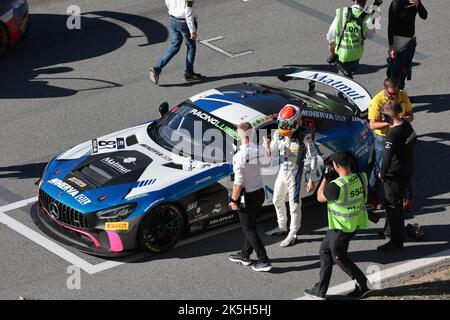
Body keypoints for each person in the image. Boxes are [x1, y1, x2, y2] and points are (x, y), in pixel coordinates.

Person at [304, 151, 371, 300]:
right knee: (324, 251)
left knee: (340, 259)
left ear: (335, 165)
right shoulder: (361, 177)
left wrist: (326, 179)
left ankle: (363, 285)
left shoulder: (335, 186)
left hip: (341, 229)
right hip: (351, 224)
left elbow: (319, 197)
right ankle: (320, 290)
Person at [264, 104, 317, 247]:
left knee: (294, 205)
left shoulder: (304, 135)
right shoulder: (278, 133)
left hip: (295, 173)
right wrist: (267, 147)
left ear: (296, 122)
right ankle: (282, 226)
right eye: (281, 124)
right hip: (283, 170)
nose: (283, 128)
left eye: (286, 125)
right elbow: (272, 153)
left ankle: (293, 233)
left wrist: (312, 178)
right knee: (276, 199)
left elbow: (313, 157)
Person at [228, 122, 272, 272]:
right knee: (251, 225)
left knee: (248, 228)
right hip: (259, 193)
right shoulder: (259, 150)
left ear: (241, 136)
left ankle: (264, 260)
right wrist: (267, 147)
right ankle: (245, 254)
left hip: (247, 196)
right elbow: (268, 163)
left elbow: (238, 182)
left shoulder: (239, 156)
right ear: (252, 135)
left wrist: (233, 200)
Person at [367, 78, 414, 213]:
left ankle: (407, 198)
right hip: (383, 137)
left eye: (396, 93)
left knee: (405, 166)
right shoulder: (377, 100)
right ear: (385, 89)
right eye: (391, 94)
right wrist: (391, 122)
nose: (394, 96)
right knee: (381, 168)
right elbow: (372, 125)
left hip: (400, 134)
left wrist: (405, 120)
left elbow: (410, 115)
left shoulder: (402, 95)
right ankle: (373, 197)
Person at [377, 101, 417, 251]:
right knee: (394, 204)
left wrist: (382, 173)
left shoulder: (392, 134)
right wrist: (404, 153)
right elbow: (414, 139)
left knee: (393, 207)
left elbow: (386, 158)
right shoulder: (406, 125)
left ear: (387, 116)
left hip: (394, 175)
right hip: (406, 169)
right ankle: (390, 231)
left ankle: (396, 241)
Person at [149, 0, 203, 85]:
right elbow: (188, 13)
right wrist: (192, 31)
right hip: (184, 22)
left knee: (175, 46)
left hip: (173, 20)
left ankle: (157, 68)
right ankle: (189, 73)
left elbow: (167, 2)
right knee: (191, 47)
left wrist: (174, 11)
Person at [326, 0, 376, 78]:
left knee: (343, 82)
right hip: (356, 55)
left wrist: (331, 44)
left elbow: (331, 32)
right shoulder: (367, 17)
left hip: (342, 55)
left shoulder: (342, 12)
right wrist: (373, 21)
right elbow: (371, 36)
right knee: (349, 77)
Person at [387, 0, 428, 90]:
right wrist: (391, 46)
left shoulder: (415, 1)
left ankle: (401, 91)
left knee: (405, 68)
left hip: (411, 40)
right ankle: (392, 96)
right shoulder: (397, 2)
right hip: (399, 40)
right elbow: (391, 25)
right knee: (395, 72)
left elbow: (424, 16)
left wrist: (418, 4)